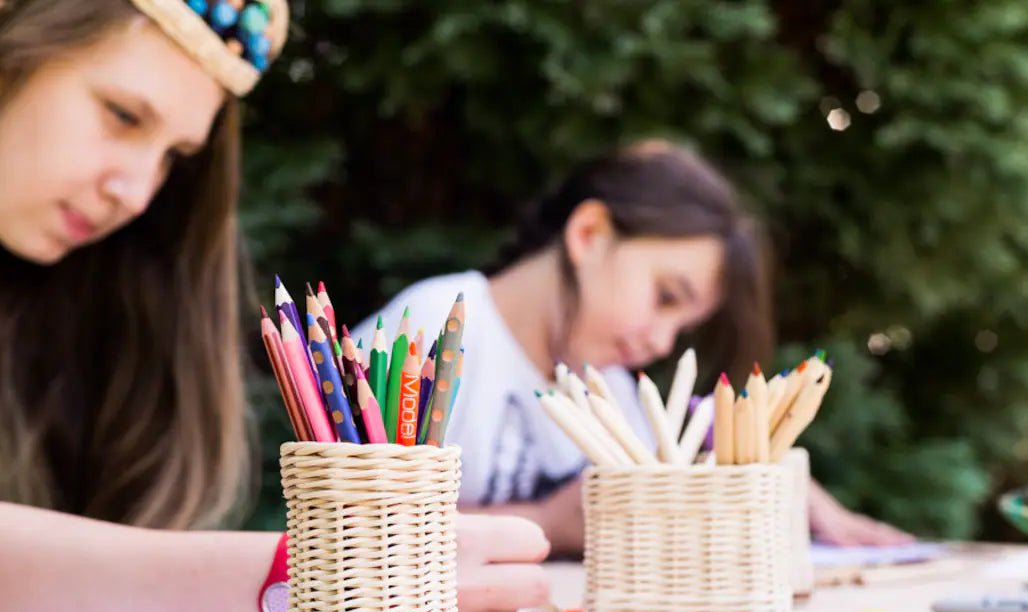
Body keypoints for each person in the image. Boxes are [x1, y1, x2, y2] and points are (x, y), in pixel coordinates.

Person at [0, 0, 549, 612]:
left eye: (173, 155)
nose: (138, 192)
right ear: (1, 43)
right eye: (121, 115)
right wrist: (328, 586)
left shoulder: (53, 289)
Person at [356, 141, 913, 556]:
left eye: (684, 326)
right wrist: (548, 521)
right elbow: (350, 541)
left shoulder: (611, 389)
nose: (661, 341)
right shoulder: (431, 333)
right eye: (666, 296)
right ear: (590, 234)